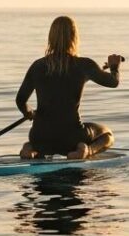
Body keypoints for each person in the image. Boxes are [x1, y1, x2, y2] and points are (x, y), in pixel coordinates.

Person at [16, 16, 123, 160]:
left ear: (51, 38)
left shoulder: (37, 66)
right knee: (107, 135)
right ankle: (85, 151)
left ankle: (29, 149)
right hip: (71, 139)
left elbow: (20, 100)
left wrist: (28, 112)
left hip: (40, 137)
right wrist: (114, 67)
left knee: (38, 141)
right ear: (74, 37)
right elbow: (113, 82)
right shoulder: (84, 65)